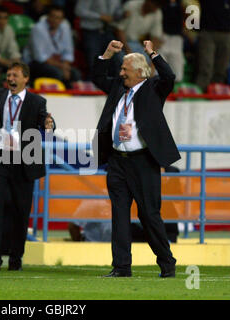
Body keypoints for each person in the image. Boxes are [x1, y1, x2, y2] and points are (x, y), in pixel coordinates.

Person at [92, 39, 179, 278]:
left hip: (143, 162)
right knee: (119, 215)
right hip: (117, 161)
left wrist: (152, 53)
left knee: (149, 214)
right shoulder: (119, 88)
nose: (120, 74)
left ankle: (167, 262)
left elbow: (169, 76)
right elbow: (97, 76)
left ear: (141, 73)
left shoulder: (153, 89)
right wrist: (108, 53)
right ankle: (121, 267)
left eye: (124, 70)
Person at [0, 61, 54, 271]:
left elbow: (44, 121)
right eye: (8, 75)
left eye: (15, 75)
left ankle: (15, 259)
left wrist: (49, 124)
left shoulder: (37, 101)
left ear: (25, 79)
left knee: (21, 212)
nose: (10, 79)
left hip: (23, 162)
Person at [23, 5, 81, 89]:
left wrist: (65, 67)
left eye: (58, 18)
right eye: (53, 17)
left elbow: (68, 52)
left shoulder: (65, 27)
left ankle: (71, 98)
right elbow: (40, 57)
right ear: (48, 17)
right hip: (35, 63)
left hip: (58, 63)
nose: (55, 20)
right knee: (57, 73)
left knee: (75, 74)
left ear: (62, 19)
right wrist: (62, 66)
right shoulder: (38, 28)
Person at [74, 0, 124, 79]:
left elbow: (118, 11)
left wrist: (121, 15)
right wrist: (100, 16)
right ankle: (93, 88)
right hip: (91, 31)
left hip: (108, 30)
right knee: (94, 62)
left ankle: (112, 88)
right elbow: (79, 10)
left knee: (116, 61)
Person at [195, 0, 230, 91]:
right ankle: (199, 94)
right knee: (205, 68)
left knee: (221, 69)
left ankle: (217, 94)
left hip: (226, 33)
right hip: (208, 32)